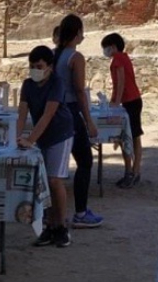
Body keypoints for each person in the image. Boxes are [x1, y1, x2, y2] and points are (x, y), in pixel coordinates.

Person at [17, 45, 75, 248]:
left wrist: (30, 140)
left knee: (54, 180)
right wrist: (18, 138)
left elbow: (48, 115)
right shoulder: (27, 85)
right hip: (42, 137)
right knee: (42, 182)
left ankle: (61, 226)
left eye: (39, 66)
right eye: (31, 66)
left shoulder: (56, 83)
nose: (35, 70)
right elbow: (22, 113)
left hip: (60, 134)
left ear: (49, 67)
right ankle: (49, 226)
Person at [54, 14, 102, 229]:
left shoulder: (56, 55)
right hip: (71, 111)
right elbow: (80, 91)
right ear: (76, 34)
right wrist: (89, 120)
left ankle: (52, 214)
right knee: (84, 161)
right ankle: (80, 212)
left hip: (54, 111)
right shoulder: (75, 57)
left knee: (55, 166)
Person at [101, 33, 143, 189]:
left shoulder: (118, 59)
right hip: (133, 100)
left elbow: (121, 81)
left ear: (112, 46)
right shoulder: (123, 57)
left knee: (131, 136)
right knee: (130, 136)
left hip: (129, 101)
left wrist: (117, 102)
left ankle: (133, 171)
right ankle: (132, 171)